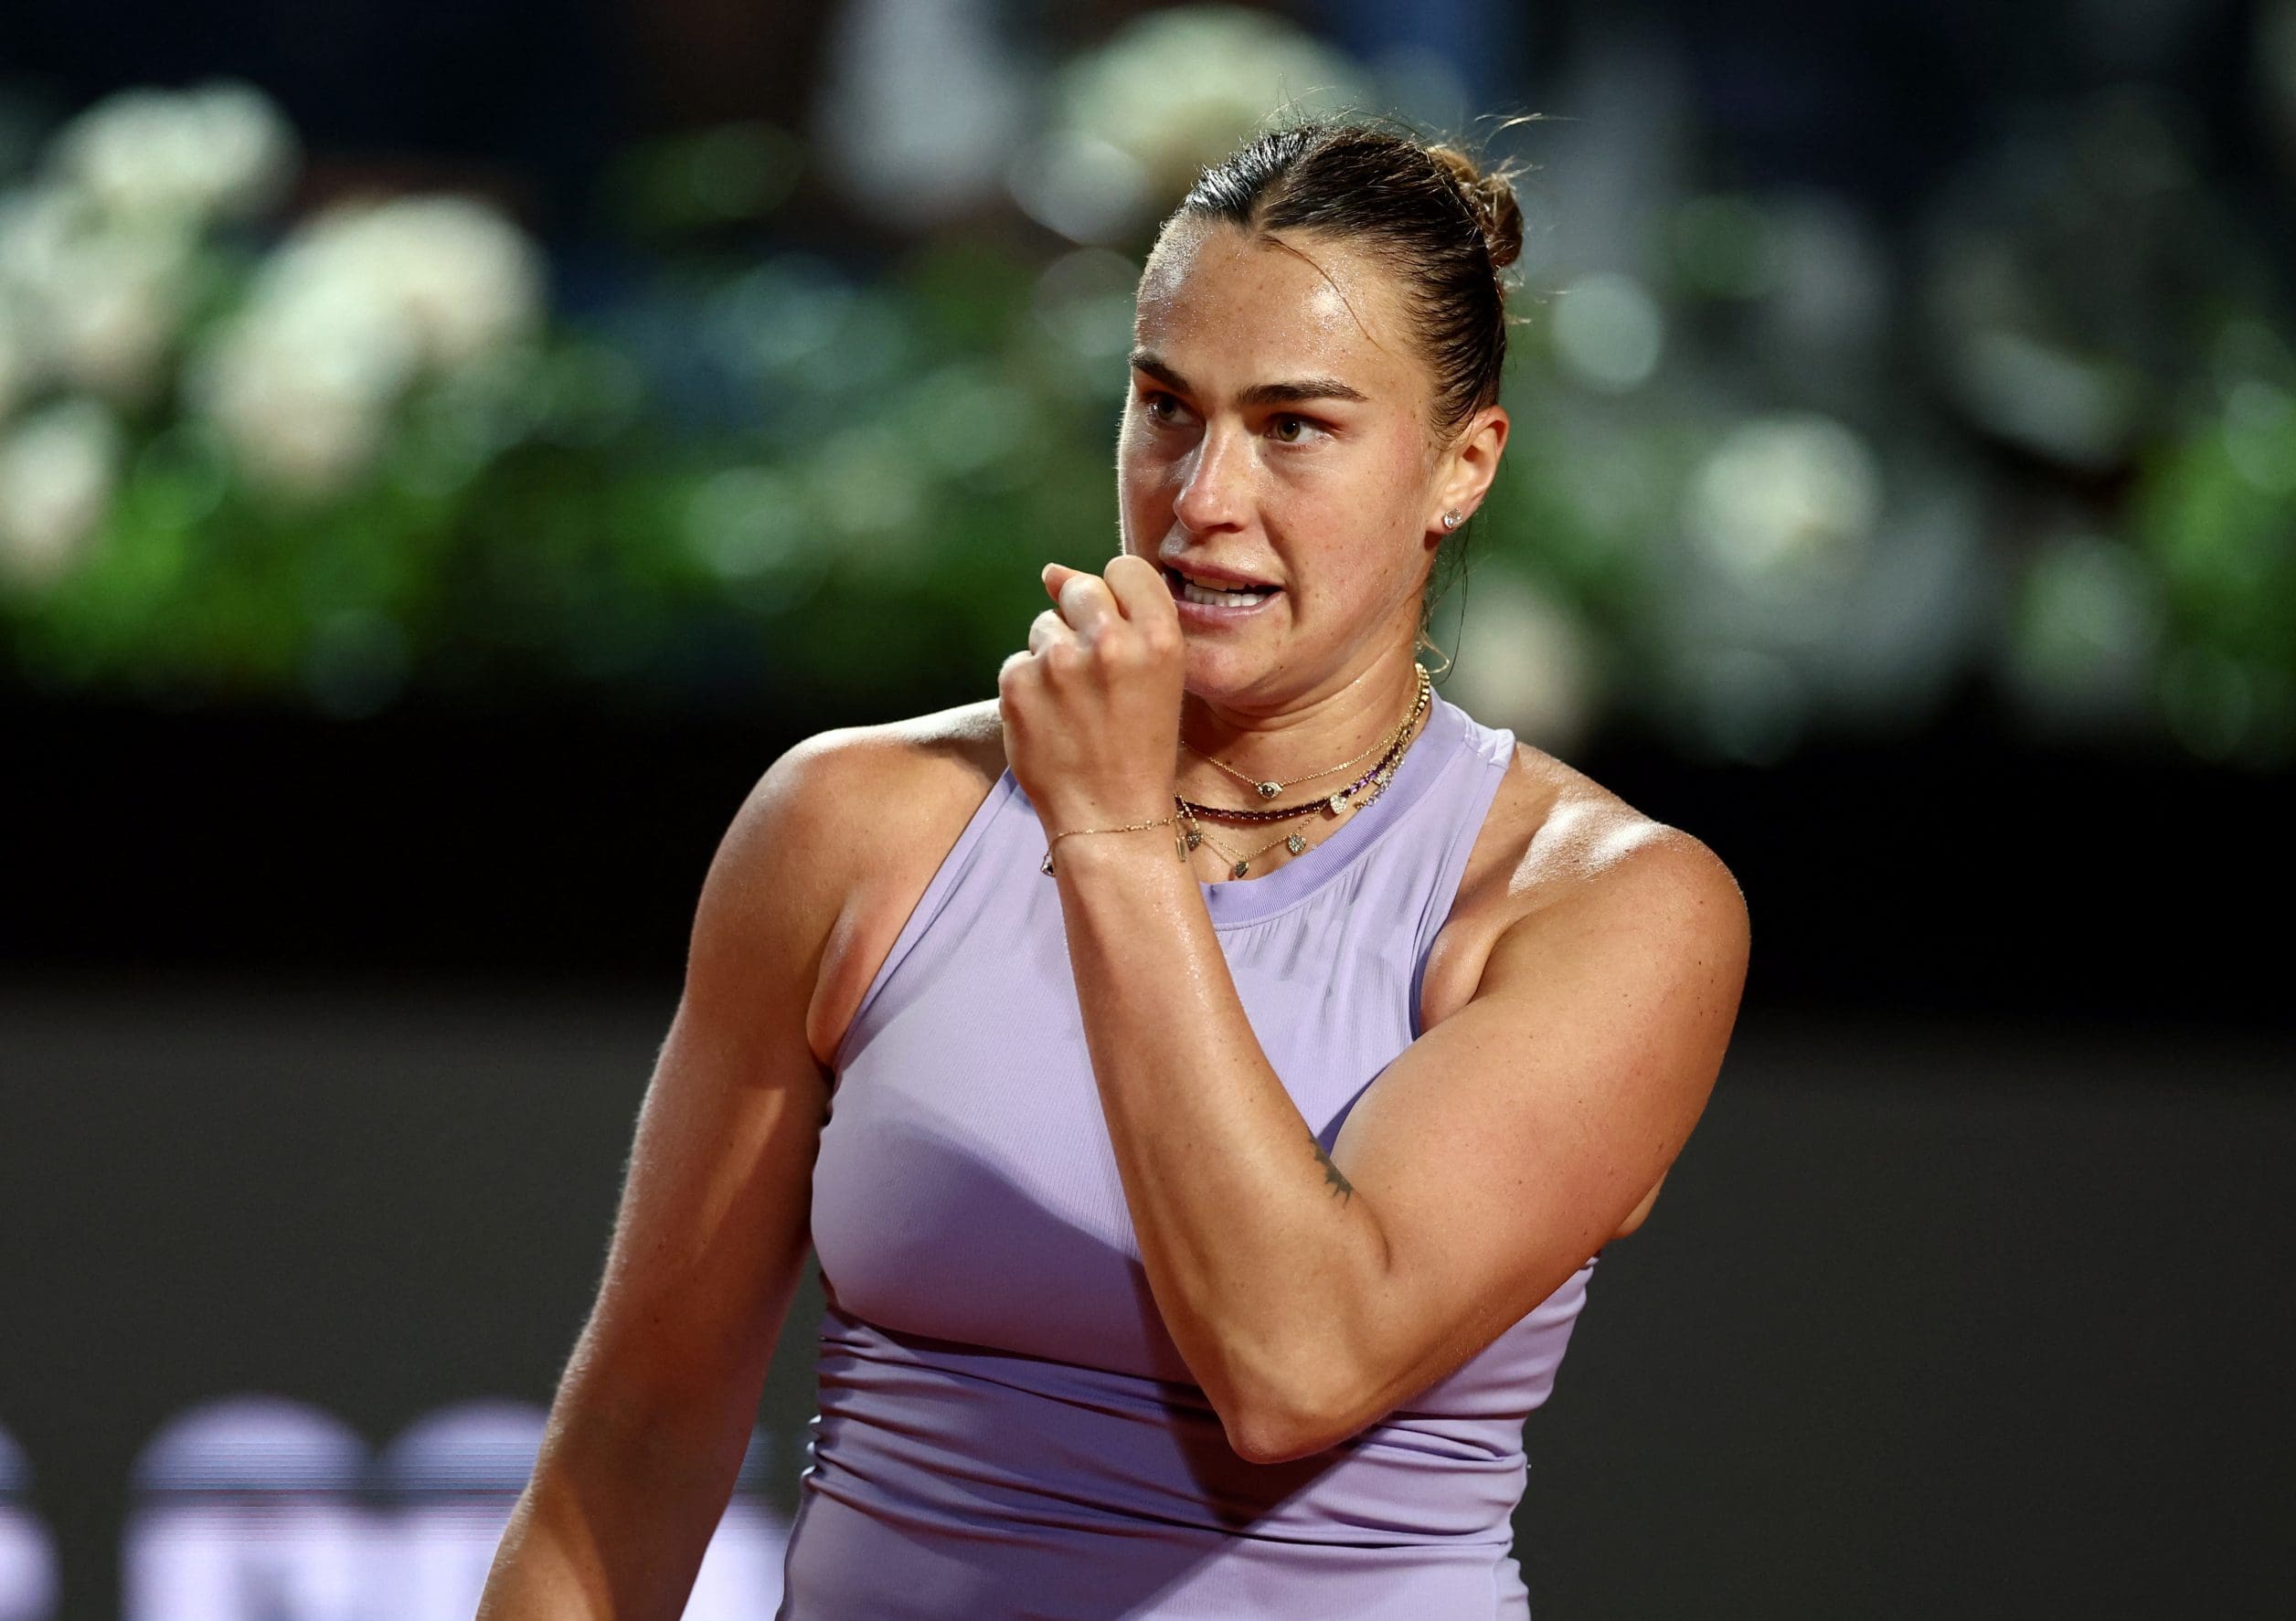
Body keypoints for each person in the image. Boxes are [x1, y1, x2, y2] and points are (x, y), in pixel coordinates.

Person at [477, 118, 1749, 1621]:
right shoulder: (850, 825)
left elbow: (1296, 1360)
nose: (1203, 496)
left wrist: (1113, 833)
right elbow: (637, 1436)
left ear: (1460, 467)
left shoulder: (1609, 905)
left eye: (1294, 426)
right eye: (1165, 407)